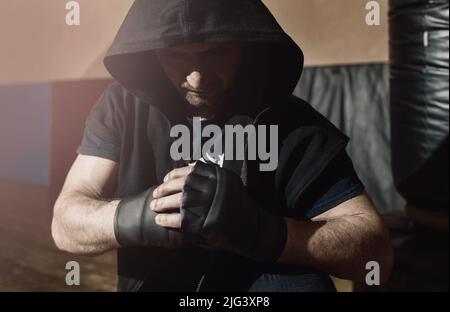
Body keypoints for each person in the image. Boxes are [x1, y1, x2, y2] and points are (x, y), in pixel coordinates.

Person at [51, 0, 394, 292]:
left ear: (244, 45)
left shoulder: (291, 121)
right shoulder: (123, 108)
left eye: (217, 52)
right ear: (153, 53)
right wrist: (141, 216)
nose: (198, 78)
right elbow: (65, 223)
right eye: (177, 56)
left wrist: (264, 231)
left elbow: (375, 253)